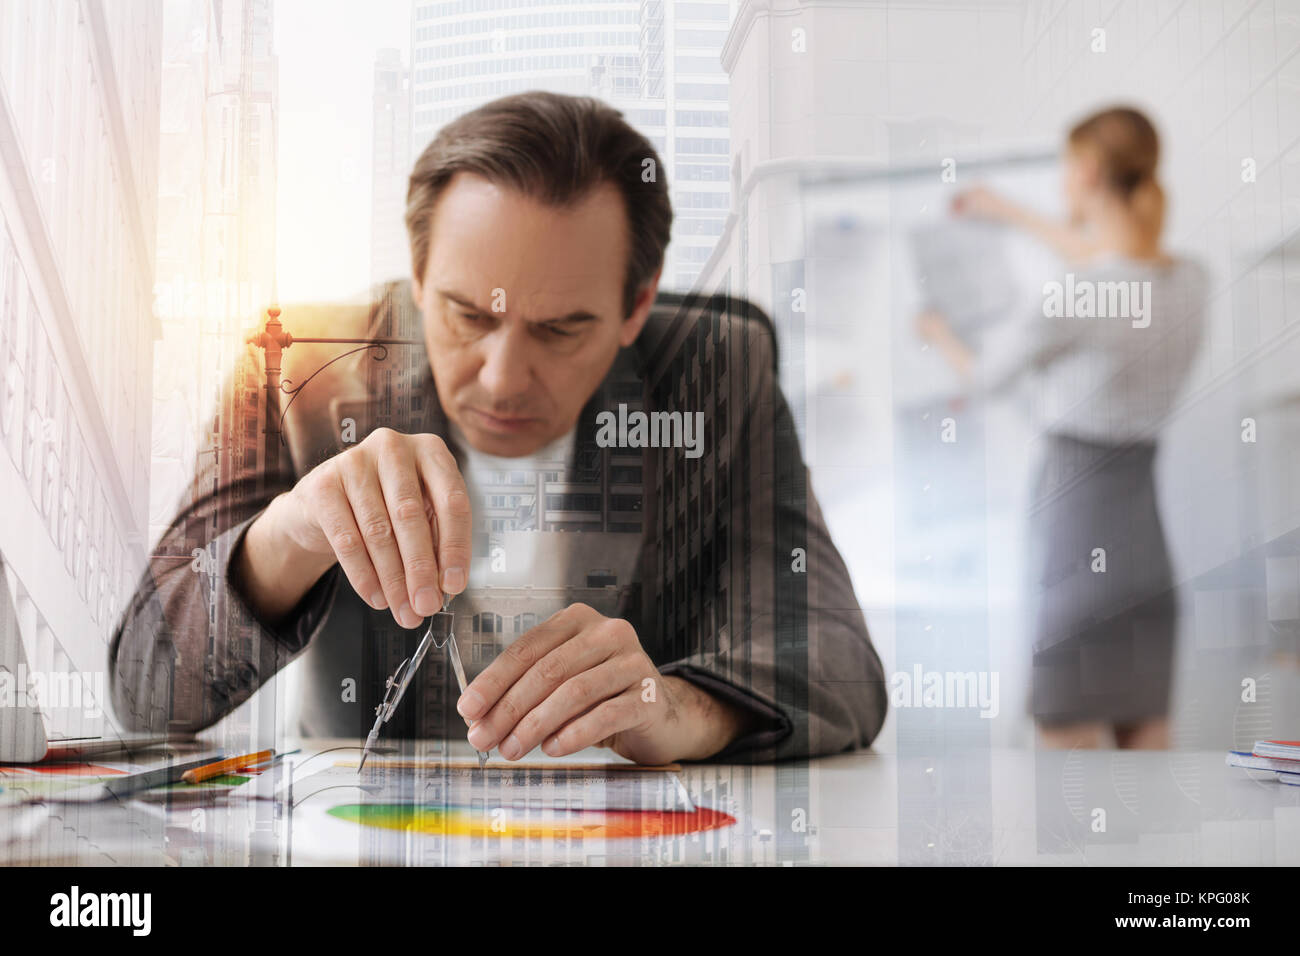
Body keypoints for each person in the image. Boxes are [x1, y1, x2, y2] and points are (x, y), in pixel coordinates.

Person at [110, 91, 887, 764]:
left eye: (561, 329)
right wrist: (289, 537)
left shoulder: (716, 370)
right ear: (417, 277)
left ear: (637, 305)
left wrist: (684, 706)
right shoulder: (294, 369)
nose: (504, 377)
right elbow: (143, 690)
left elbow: (839, 660)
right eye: (467, 315)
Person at [918, 106, 1208, 750]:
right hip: (1147, 559)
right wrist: (1013, 212)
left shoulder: (1075, 295)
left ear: (1085, 172)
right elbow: (1121, 266)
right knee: (1147, 794)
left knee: (1066, 803)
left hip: (1076, 543)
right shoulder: (1190, 282)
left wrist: (939, 335)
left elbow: (988, 376)